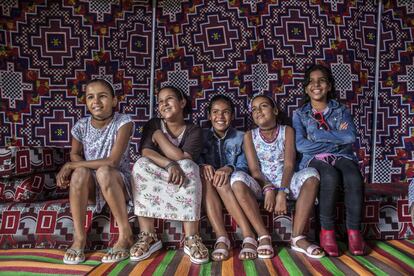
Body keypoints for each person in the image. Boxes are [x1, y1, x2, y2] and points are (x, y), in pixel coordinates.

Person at [57, 79, 134, 264]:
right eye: (90, 97)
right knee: (80, 173)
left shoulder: (123, 122)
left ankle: (126, 235)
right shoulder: (81, 126)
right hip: (91, 185)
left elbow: (112, 161)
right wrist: (76, 166)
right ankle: (79, 238)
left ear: (114, 101)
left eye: (103, 96)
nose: (96, 101)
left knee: (104, 171)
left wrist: (70, 165)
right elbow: (75, 154)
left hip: (116, 181)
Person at [292, 64, 366, 256]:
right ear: (306, 87)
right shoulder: (300, 114)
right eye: (311, 82)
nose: (316, 85)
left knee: (353, 176)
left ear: (330, 86)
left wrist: (316, 135)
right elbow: (301, 146)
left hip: (342, 156)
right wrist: (335, 139)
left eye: (322, 80)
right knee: (330, 176)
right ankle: (327, 231)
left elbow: (350, 137)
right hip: (313, 159)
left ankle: (354, 232)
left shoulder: (341, 110)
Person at [130, 86, 209, 264]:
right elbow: (146, 152)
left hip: (180, 177)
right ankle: (148, 236)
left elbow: (183, 157)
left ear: (182, 103)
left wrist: (159, 137)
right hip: (157, 174)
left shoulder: (194, 130)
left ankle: (191, 238)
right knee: (141, 165)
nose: (164, 104)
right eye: (160, 101)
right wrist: (169, 163)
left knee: (189, 166)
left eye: (170, 99)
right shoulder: (153, 124)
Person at [244, 94, 324, 259]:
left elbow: (289, 164)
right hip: (262, 185)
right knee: (237, 179)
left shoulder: (287, 131)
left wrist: (282, 191)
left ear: (274, 110)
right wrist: (268, 188)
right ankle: (263, 236)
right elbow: (255, 170)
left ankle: (297, 237)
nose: (258, 111)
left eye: (263, 106)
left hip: (286, 182)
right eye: (254, 109)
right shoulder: (249, 136)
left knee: (312, 175)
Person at [199, 95, 273, 261]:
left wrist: (229, 168)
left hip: (230, 183)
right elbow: (194, 157)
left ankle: (248, 235)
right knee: (205, 176)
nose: (220, 116)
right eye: (215, 112)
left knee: (223, 178)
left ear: (232, 116)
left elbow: (245, 165)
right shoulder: (201, 136)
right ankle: (222, 237)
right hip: (210, 185)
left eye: (225, 112)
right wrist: (203, 165)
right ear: (209, 115)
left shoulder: (241, 137)